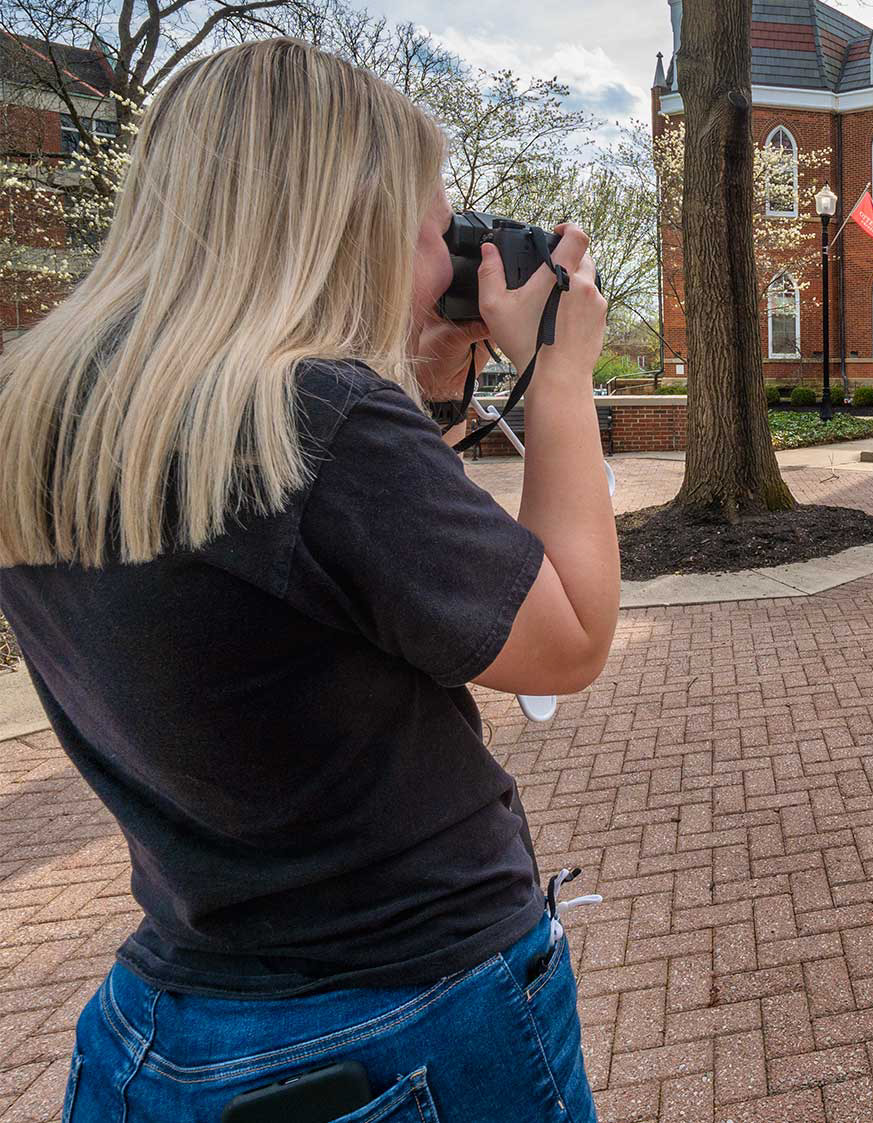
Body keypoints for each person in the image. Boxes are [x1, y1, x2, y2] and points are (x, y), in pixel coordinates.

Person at [0, 40, 615, 1121]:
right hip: (405, 1017)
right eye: (434, 231)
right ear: (352, 219)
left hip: (170, 1013)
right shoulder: (314, 419)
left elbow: (311, 581)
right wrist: (559, 374)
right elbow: (566, 639)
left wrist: (426, 382)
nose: (444, 266)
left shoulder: (47, 409)